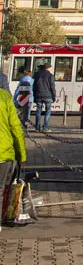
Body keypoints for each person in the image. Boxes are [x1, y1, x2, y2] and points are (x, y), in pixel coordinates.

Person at [0, 84, 26, 213]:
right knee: (0, 190)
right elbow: (16, 128)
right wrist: (21, 154)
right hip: (3, 153)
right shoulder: (4, 96)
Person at [33, 63, 56, 133]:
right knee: (47, 112)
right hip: (48, 96)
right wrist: (54, 96)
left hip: (39, 96)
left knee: (38, 111)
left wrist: (35, 96)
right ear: (48, 68)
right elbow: (52, 87)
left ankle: (37, 127)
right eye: (51, 68)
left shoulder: (37, 75)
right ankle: (45, 127)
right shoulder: (50, 76)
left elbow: (34, 87)